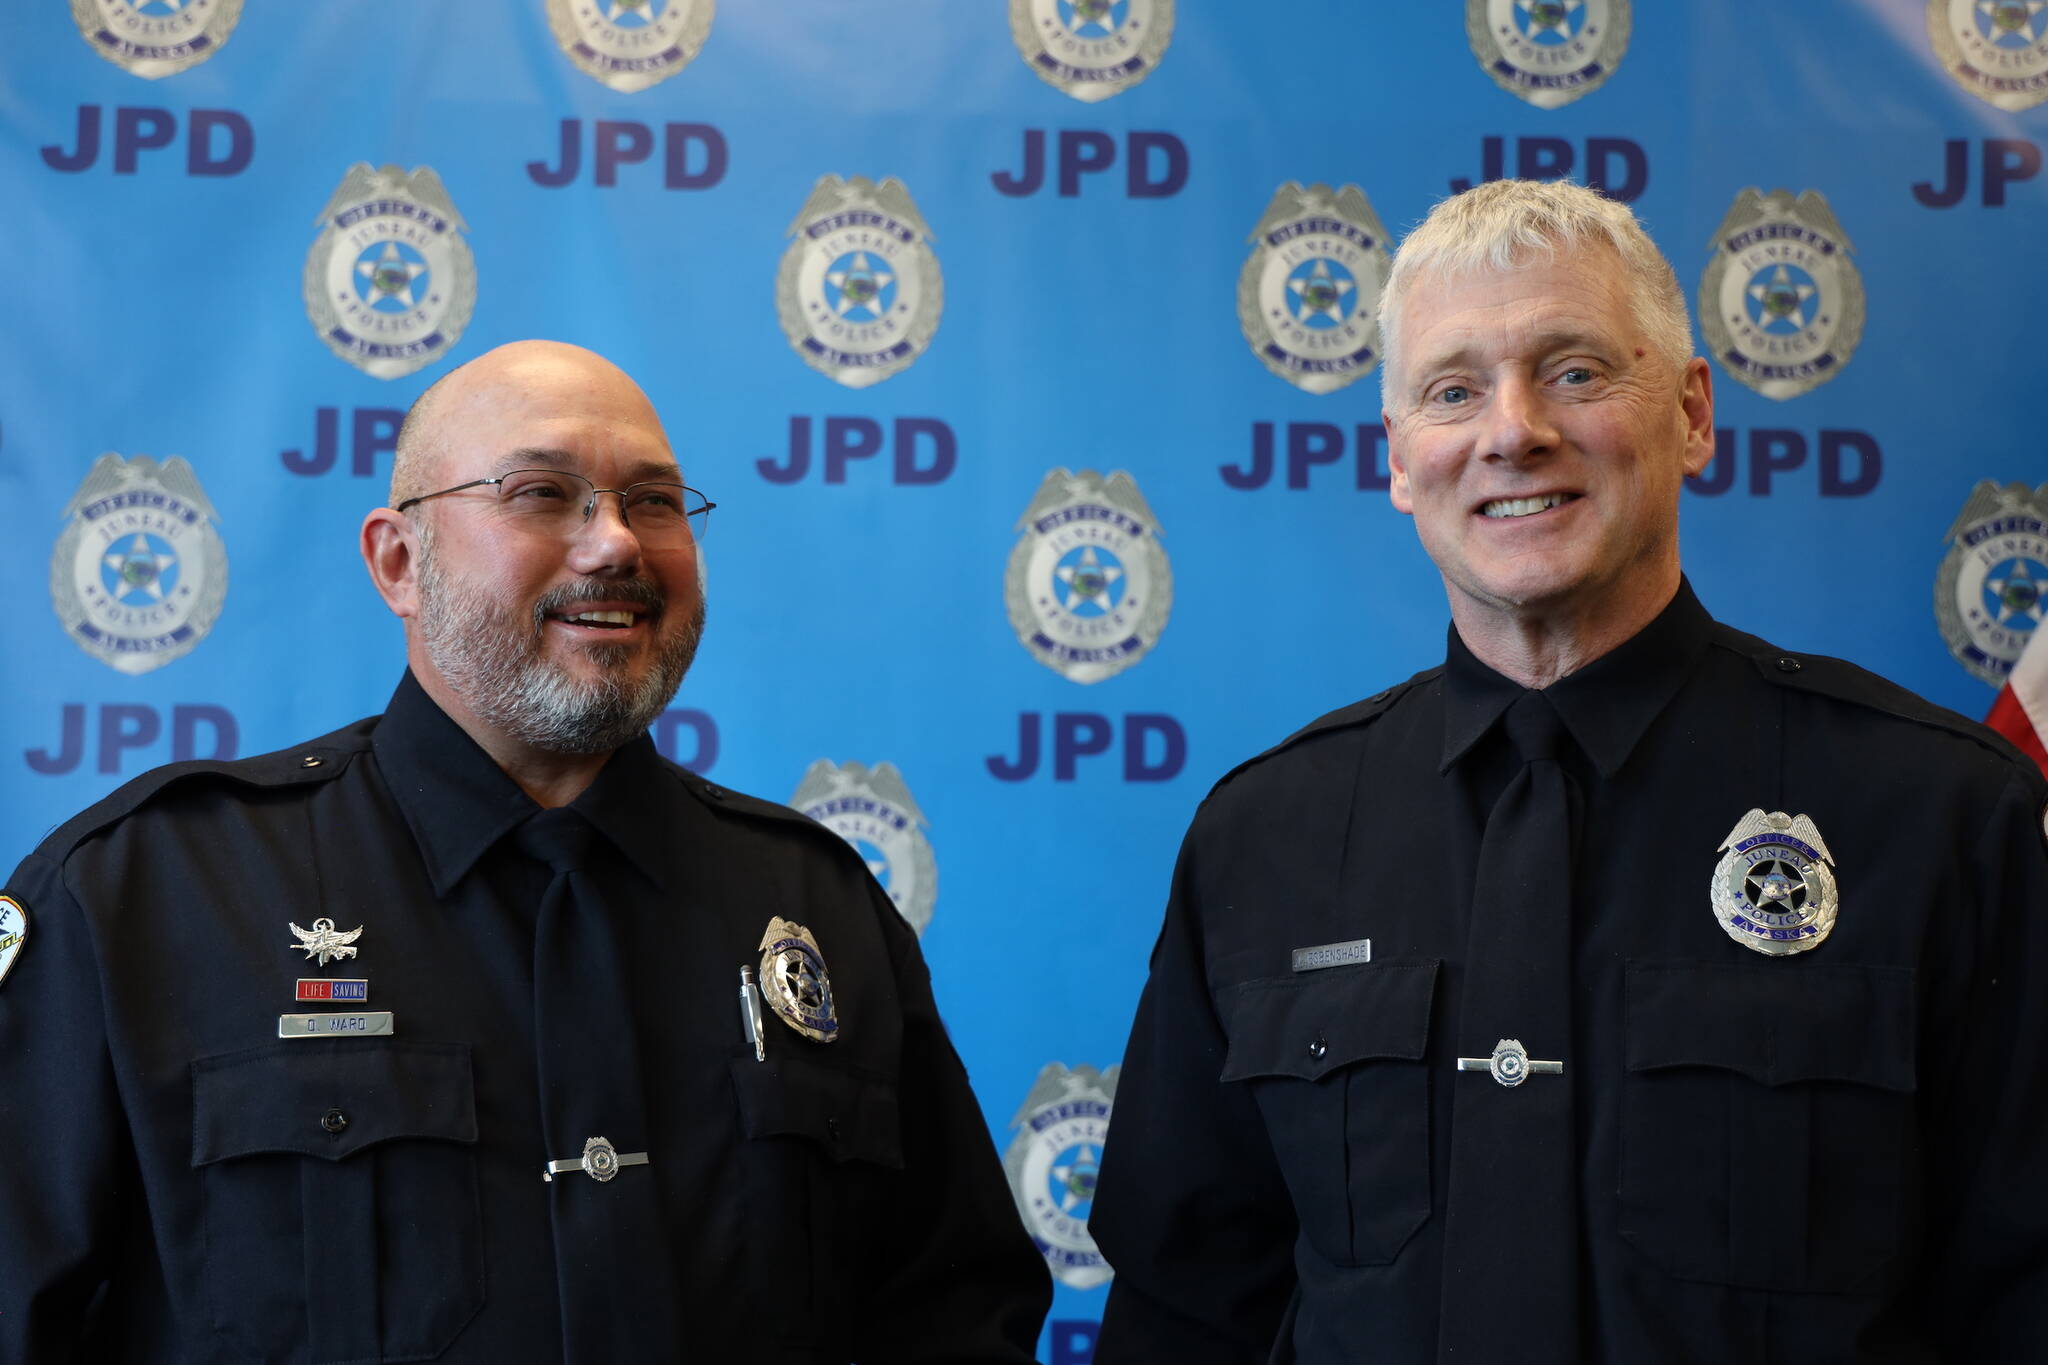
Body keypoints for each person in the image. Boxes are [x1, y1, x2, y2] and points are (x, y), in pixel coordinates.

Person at [1088, 181, 2048, 1364]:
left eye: (1575, 372)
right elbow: (1184, 1314)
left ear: (1692, 413)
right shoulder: (1263, 839)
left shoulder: (1942, 815)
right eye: (1452, 390)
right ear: (1397, 461)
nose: (1511, 431)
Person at [0, 340, 1050, 1363]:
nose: (617, 545)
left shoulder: (812, 906)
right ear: (398, 561)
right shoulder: (137, 897)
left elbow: (950, 1314)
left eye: (653, 502)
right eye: (542, 495)